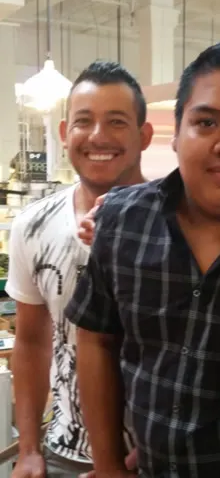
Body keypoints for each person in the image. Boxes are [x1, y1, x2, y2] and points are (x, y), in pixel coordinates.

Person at [65, 40, 220, 477]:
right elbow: (96, 337)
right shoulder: (122, 219)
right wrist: (108, 463)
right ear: (176, 131)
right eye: (206, 122)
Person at [6, 60, 153, 478]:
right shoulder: (33, 225)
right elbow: (31, 342)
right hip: (64, 451)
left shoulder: (175, 222)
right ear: (64, 132)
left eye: (117, 122)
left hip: (158, 455)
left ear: (144, 135)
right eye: (83, 122)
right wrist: (29, 449)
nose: (98, 136)